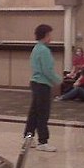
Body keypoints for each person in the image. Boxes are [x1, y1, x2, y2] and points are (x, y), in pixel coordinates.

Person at [24, 24, 62, 152]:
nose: (51, 37)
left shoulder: (36, 48)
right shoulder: (44, 50)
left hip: (36, 83)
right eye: (50, 34)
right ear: (45, 35)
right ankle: (43, 142)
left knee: (34, 112)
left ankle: (28, 137)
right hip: (42, 84)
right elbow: (47, 70)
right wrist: (58, 81)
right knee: (42, 113)